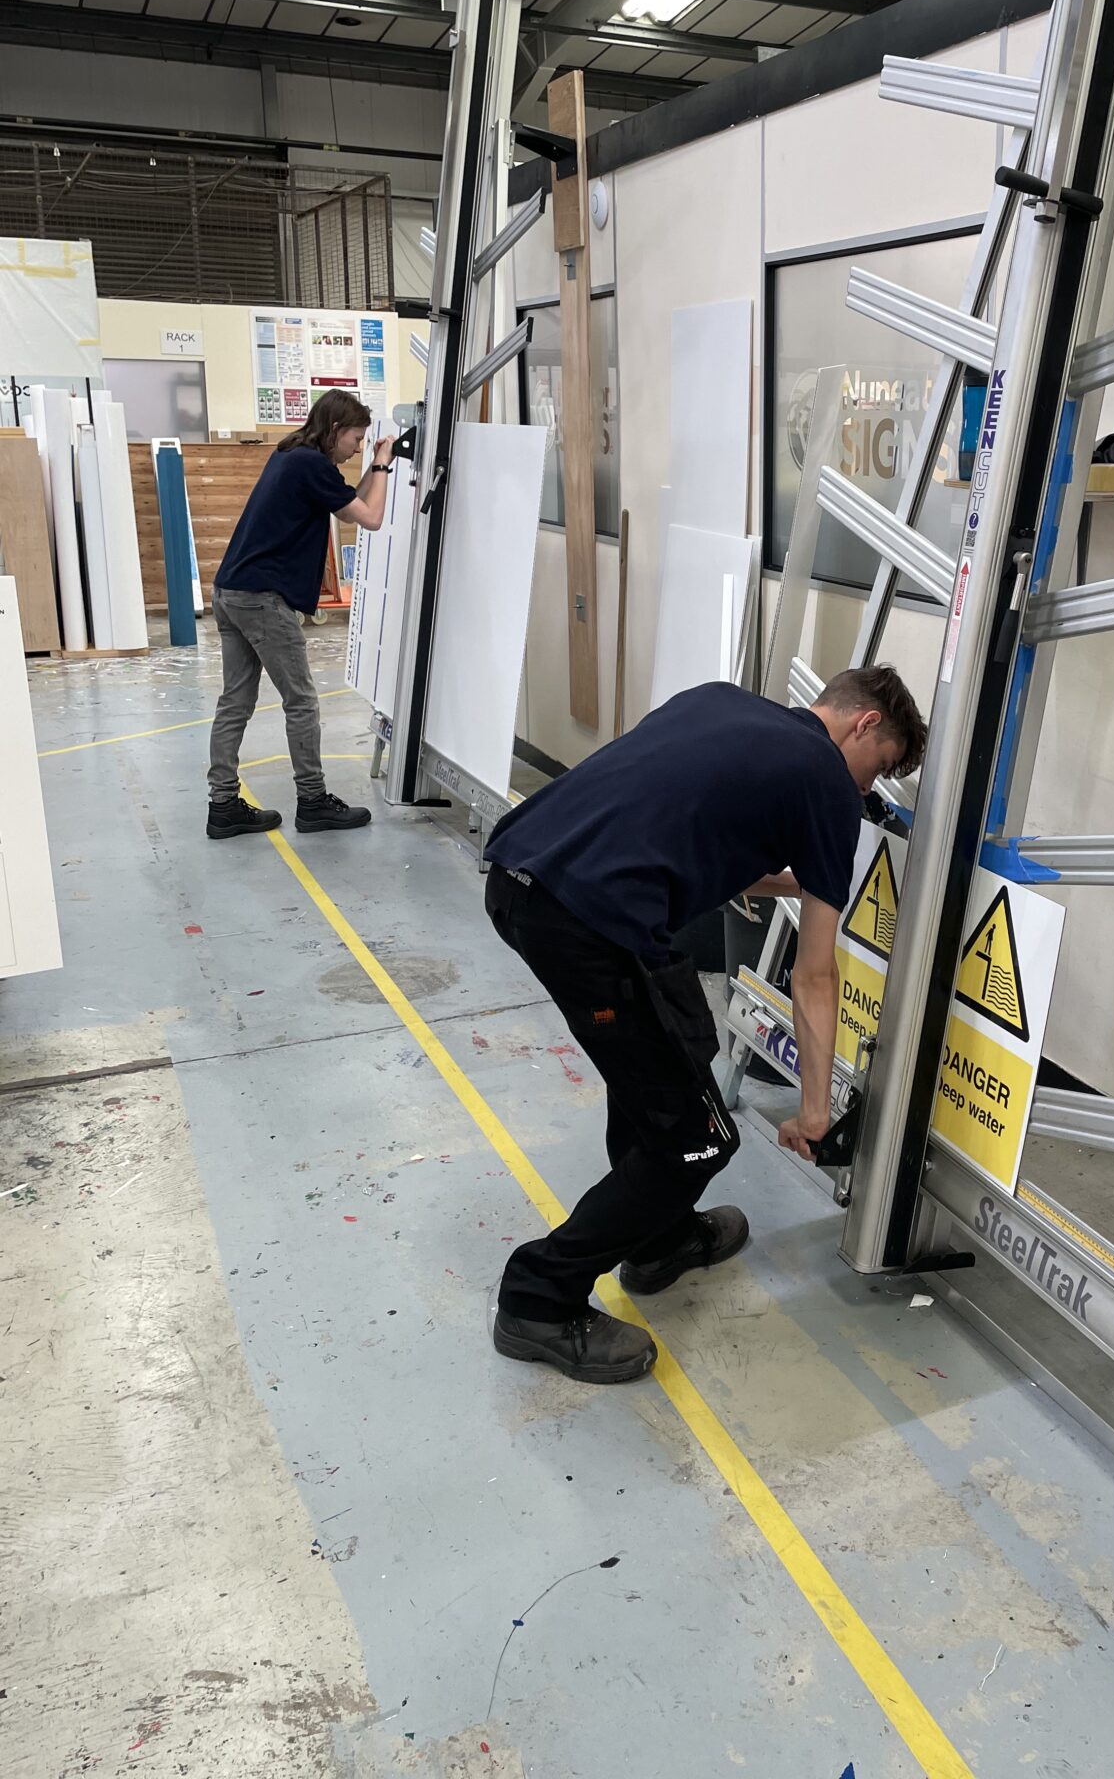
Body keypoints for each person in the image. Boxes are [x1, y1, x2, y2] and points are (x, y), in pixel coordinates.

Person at [482, 665, 927, 1385]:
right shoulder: (826, 782)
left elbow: (680, 831)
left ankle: (660, 1242)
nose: (866, 794)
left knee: (667, 1064)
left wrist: (802, 878)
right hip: (588, 925)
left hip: (524, 874)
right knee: (695, 1141)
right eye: (874, 771)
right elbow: (815, 975)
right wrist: (816, 1109)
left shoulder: (724, 706)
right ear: (863, 724)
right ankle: (537, 1297)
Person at [205, 388, 393, 839]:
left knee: (235, 702)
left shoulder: (294, 452)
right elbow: (370, 518)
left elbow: (348, 509)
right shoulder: (311, 465)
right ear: (335, 430)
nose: (358, 447)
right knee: (302, 702)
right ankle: (312, 802)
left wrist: (372, 469)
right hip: (263, 599)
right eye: (357, 438)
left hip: (231, 590)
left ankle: (222, 805)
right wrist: (384, 467)